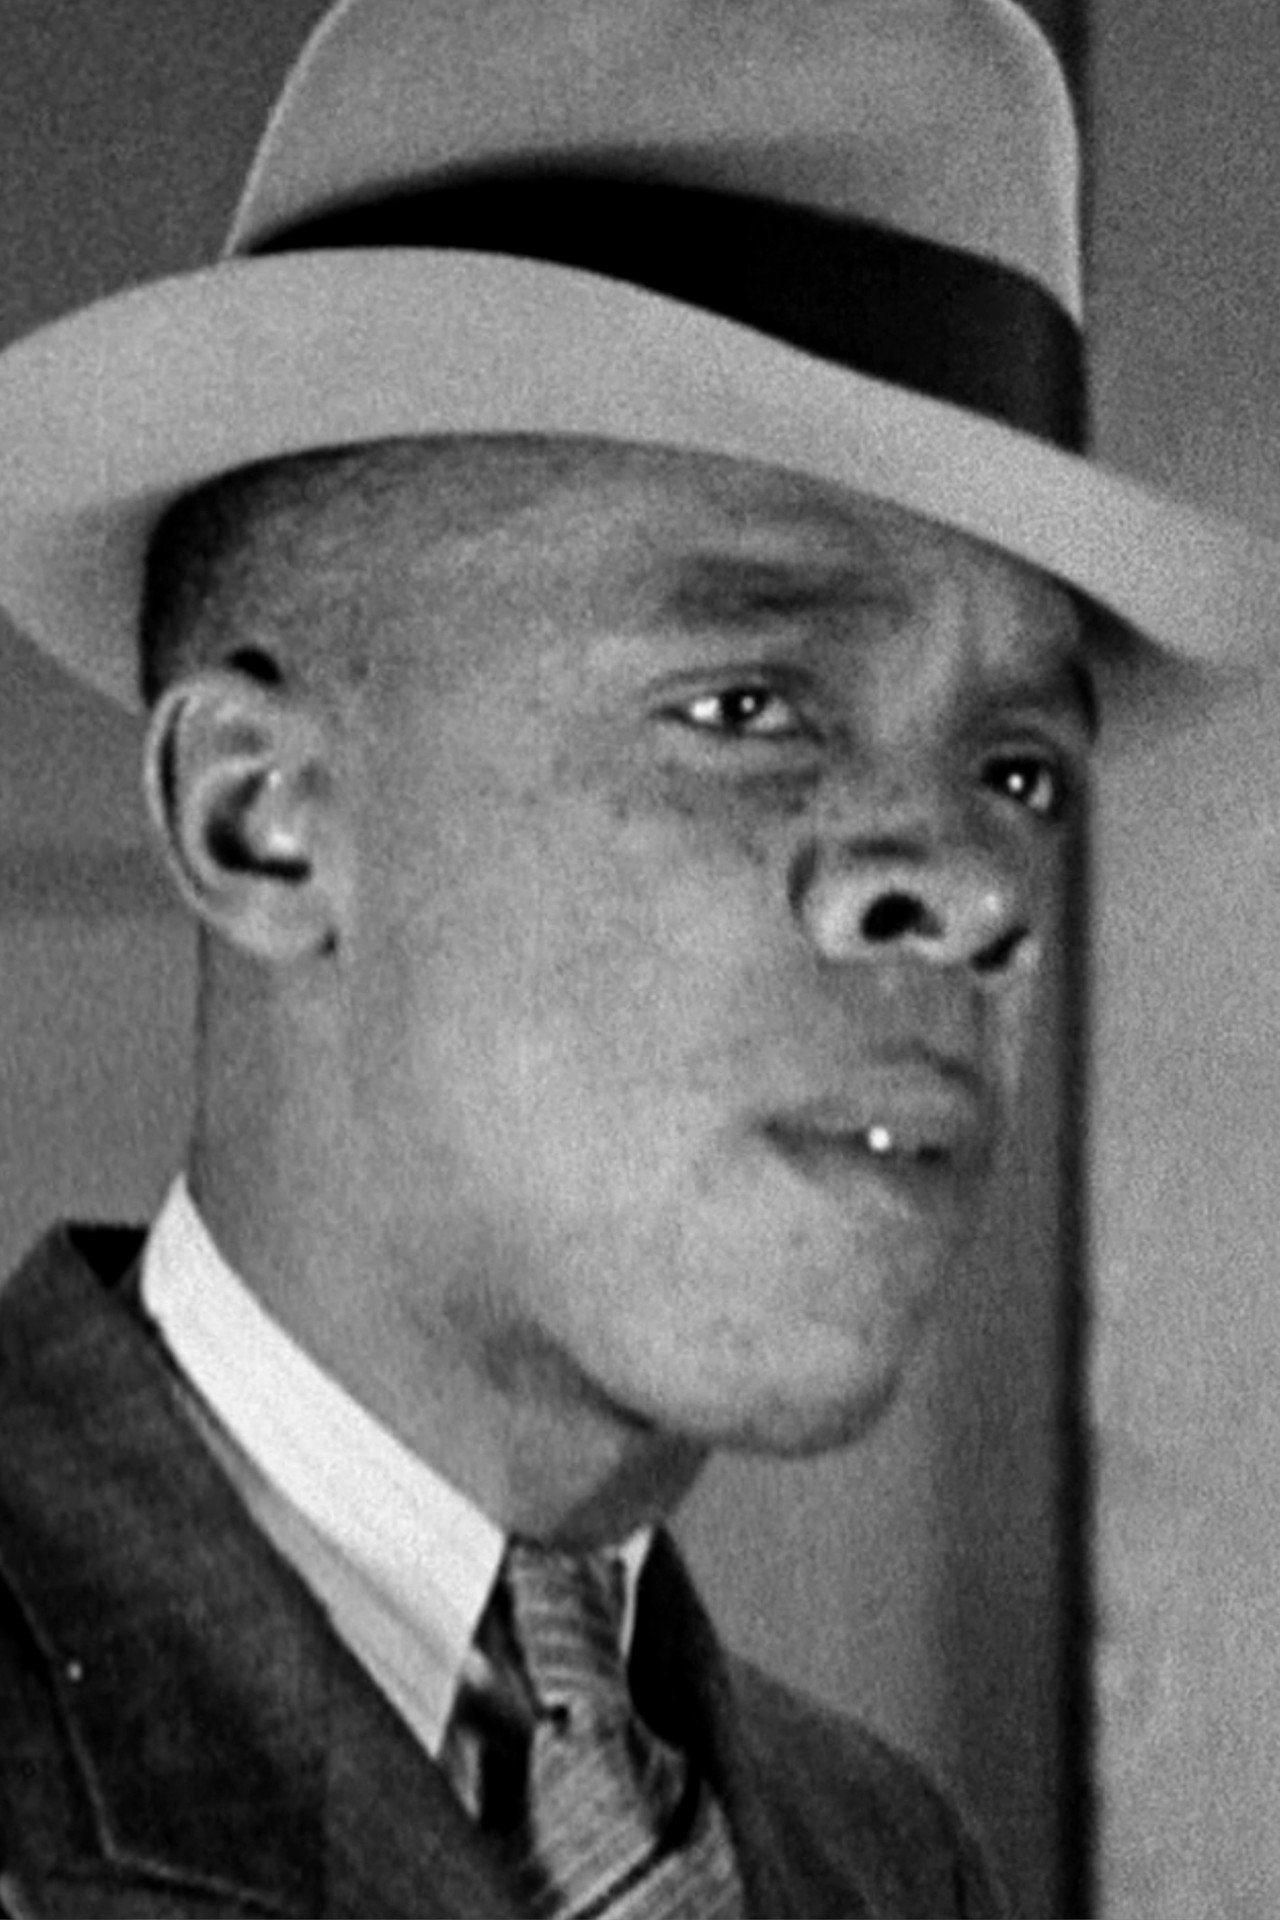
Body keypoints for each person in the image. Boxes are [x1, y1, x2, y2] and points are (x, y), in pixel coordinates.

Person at [0, 3, 1274, 1916]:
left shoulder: (885, 1864)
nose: (969, 886)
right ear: (263, 819)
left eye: (1018, 770)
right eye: (746, 705)